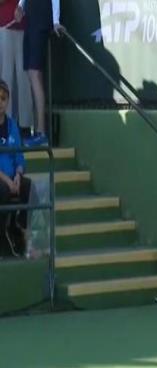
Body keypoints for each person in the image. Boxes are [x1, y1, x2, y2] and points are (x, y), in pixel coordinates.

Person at [14, 0, 63, 147]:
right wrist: (21, 6)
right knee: (32, 73)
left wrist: (56, 21)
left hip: (41, 21)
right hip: (30, 21)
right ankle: (38, 131)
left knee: (34, 73)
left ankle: (41, 133)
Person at [0, 79, 31, 257]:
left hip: (12, 177)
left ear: (7, 101)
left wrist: (18, 175)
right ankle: (2, 232)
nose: (0, 102)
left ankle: (17, 226)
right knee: (3, 190)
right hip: (2, 179)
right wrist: (7, 180)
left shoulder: (12, 125)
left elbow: (19, 156)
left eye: (3, 98)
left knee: (27, 185)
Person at [0, 0, 34, 138]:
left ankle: (25, 126)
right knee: (6, 77)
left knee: (24, 77)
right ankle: (5, 125)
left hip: (25, 26)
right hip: (4, 25)